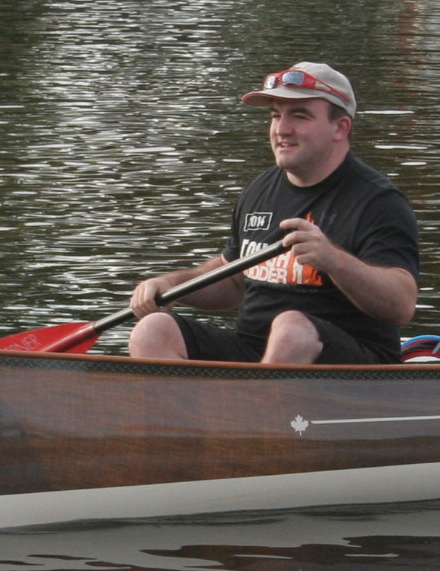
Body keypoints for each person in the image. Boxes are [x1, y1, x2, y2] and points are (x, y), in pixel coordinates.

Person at [128, 63, 419, 364]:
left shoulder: (377, 201)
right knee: (153, 329)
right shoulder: (258, 190)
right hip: (256, 352)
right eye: (276, 116)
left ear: (340, 128)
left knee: (291, 327)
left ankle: (250, 406)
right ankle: (196, 409)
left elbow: (402, 305)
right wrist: (171, 287)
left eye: (299, 116)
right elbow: (233, 281)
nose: (282, 129)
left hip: (351, 367)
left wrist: (333, 260)